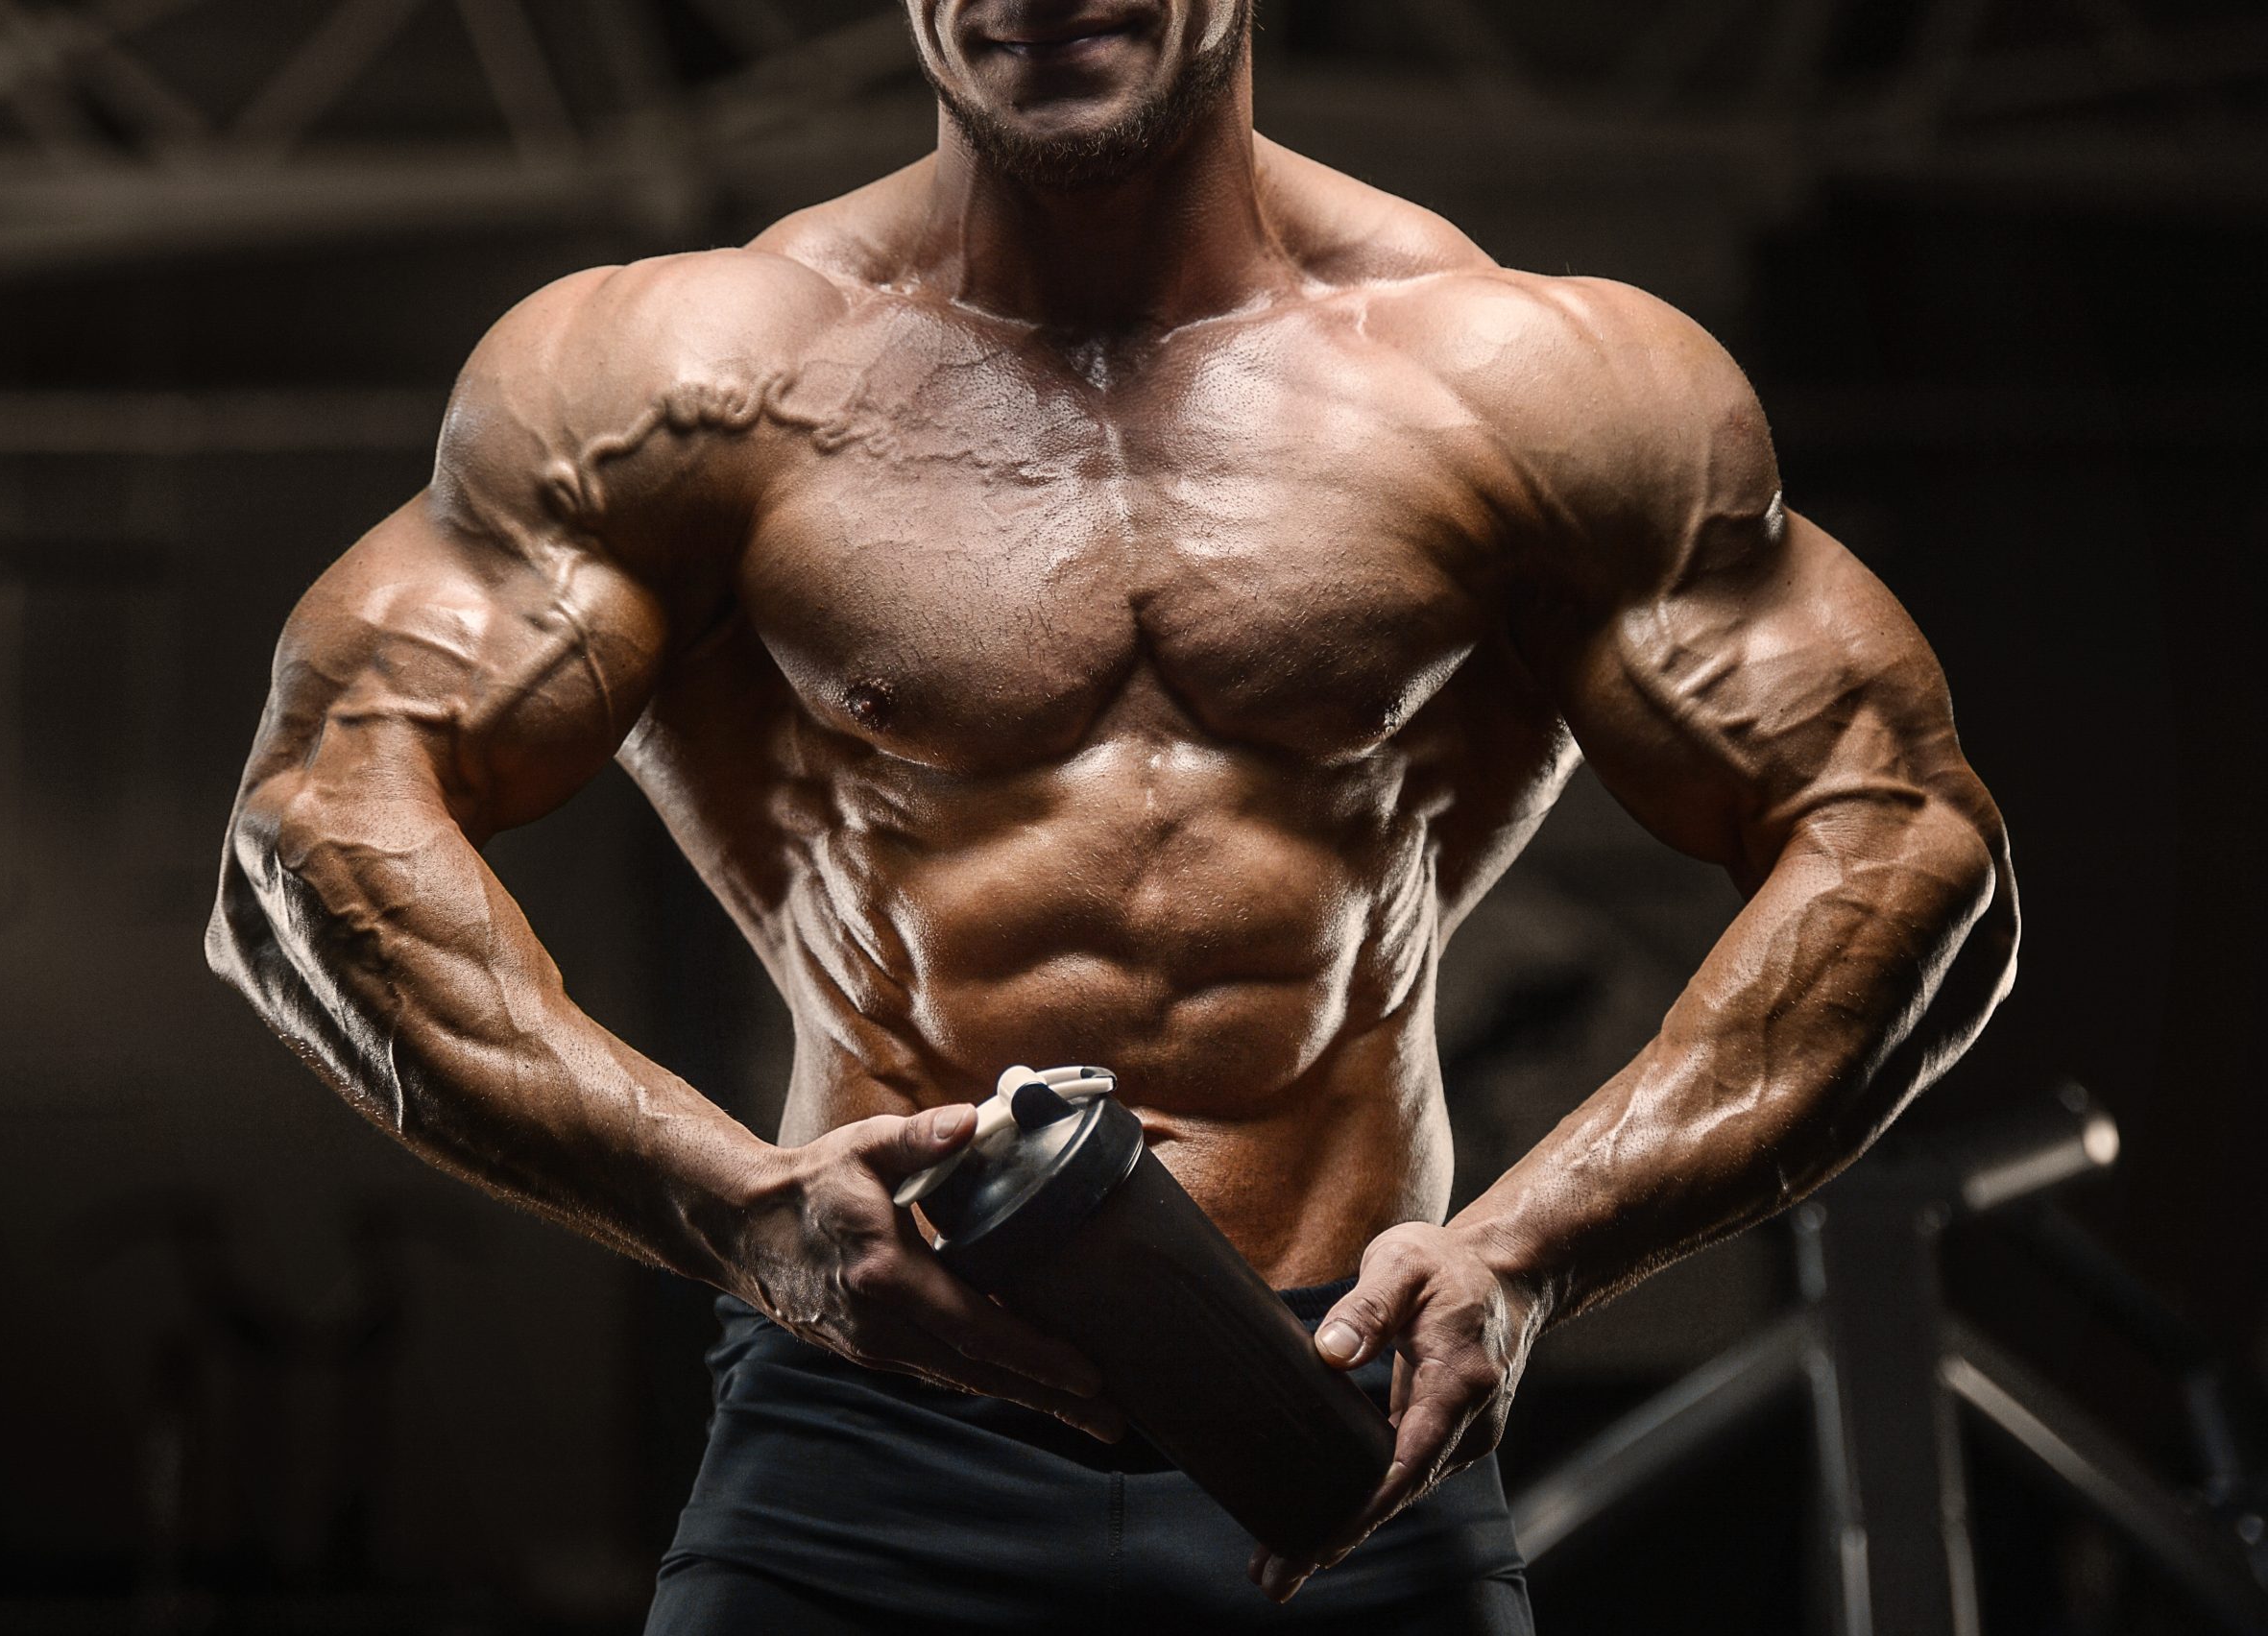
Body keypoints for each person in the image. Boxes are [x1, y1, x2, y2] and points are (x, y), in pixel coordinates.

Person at [206, 1, 2020, 1627]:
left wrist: (1532, 1252)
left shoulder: (1525, 383)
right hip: (863, 1435)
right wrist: (726, 1205)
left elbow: (1910, 841)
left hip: (1345, 1420)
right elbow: (308, 828)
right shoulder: (685, 379)